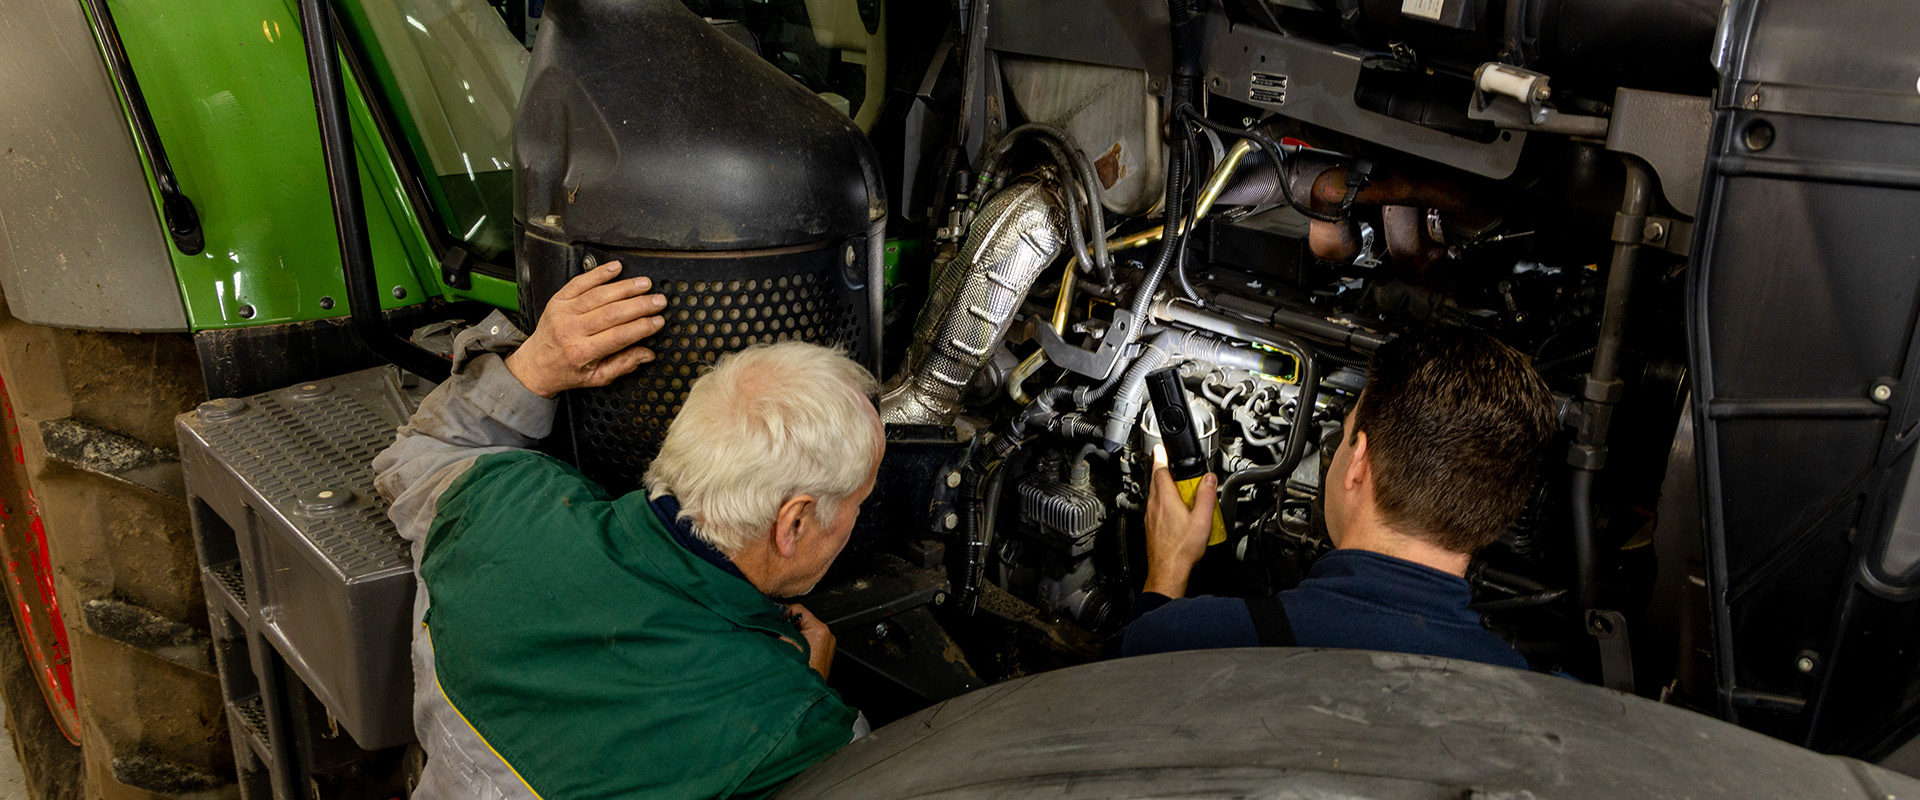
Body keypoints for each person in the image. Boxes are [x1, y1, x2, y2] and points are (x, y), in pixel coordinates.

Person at [372, 261, 883, 800]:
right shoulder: (801, 733)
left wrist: (535, 368)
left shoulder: (501, 506)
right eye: (861, 501)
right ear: (794, 522)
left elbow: (420, 456)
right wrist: (802, 692)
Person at [1121, 329, 1557, 669]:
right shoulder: (1543, 698)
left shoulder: (1186, 642)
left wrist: (1168, 569)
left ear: (1358, 463)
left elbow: (1123, 691)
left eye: (1344, 436)